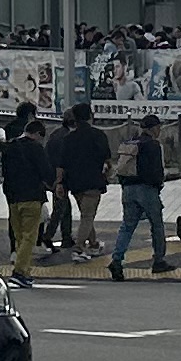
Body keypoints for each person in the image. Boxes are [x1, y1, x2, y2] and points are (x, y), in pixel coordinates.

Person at [109, 116, 173, 278]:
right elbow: (156, 171)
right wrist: (158, 186)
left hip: (128, 189)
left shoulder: (131, 143)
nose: (159, 131)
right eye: (158, 127)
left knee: (127, 226)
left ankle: (116, 260)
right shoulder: (153, 145)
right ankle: (159, 260)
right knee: (156, 225)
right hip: (147, 189)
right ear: (152, 129)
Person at [54, 103, 114, 267]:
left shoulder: (68, 138)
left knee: (86, 214)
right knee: (87, 216)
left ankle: (93, 244)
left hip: (74, 183)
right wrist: (109, 174)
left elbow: (61, 165)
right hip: (93, 181)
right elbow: (107, 161)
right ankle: (79, 249)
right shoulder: (98, 135)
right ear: (90, 116)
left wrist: (60, 183)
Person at [0, 105, 52, 280]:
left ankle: (25, 270)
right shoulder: (36, 149)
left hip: (12, 197)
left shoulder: (9, 147)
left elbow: (4, 172)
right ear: (37, 134)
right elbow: (46, 172)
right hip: (31, 197)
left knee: (19, 235)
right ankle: (20, 272)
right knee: (30, 236)